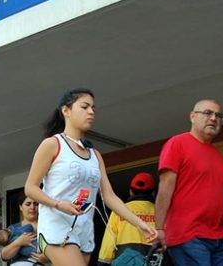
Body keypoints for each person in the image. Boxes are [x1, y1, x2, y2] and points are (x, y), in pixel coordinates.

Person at [25, 88, 158, 266]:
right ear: (66, 111)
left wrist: (138, 223)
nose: (91, 112)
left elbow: (109, 196)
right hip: (56, 225)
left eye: (93, 108)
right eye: (85, 107)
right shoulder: (52, 144)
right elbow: (30, 188)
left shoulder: (95, 155)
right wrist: (58, 204)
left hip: (84, 231)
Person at [154, 99, 223, 265]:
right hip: (190, 236)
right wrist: (160, 228)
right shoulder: (177, 144)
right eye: (207, 113)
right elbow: (165, 188)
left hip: (222, 240)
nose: (213, 118)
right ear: (192, 116)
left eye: (218, 115)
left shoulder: (219, 157)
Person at [97, 172, 158, 265]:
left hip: (125, 260)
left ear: (130, 191)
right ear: (153, 193)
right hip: (154, 260)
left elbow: (109, 240)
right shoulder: (160, 212)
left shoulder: (119, 210)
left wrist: (103, 262)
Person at [0, 192, 49, 265]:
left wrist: (48, 258)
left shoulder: (48, 227)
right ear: (21, 207)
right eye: (28, 204)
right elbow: (4, 256)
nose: (32, 207)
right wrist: (19, 242)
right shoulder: (13, 229)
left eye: (36, 204)